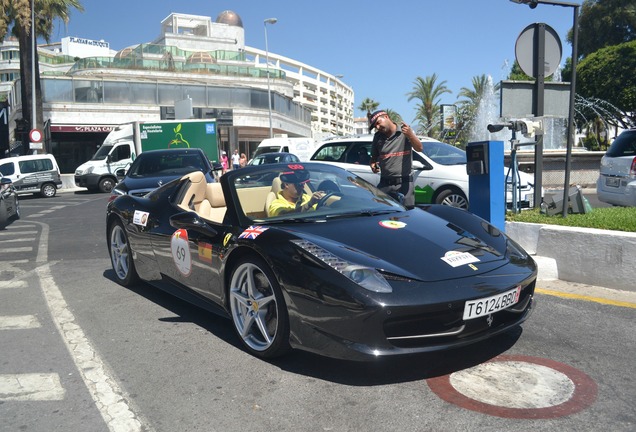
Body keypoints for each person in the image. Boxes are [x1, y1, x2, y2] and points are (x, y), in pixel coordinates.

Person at [367, 110, 423, 208]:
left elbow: (419, 148)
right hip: (385, 184)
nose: (377, 127)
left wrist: (410, 135)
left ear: (386, 117)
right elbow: (373, 158)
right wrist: (373, 164)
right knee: (383, 217)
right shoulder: (377, 137)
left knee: (407, 217)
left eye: (378, 123)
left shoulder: (405, 131)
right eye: (375, 126)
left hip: (405, 185)